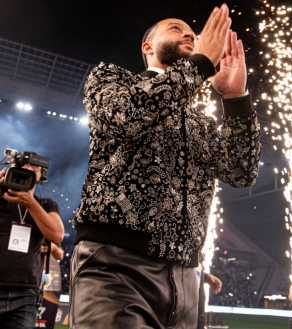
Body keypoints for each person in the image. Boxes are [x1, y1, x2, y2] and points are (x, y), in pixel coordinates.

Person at [69, 4, 261, 328]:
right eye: (176, 28)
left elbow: (241, 172)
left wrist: (236, 98)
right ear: (148, 47)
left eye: (192, 32)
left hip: (187, 279)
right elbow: (129, 115)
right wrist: (199, 65)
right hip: (117, 266)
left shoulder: (200, 120)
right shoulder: (111, 79)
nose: (189, 33)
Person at [0, 157, 64, 329]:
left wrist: (30, 203)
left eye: (35, 167)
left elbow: (57, 235)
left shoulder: (46, 204)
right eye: (24, 167)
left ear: (41, 176)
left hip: (26, 292)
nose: (29, 169)